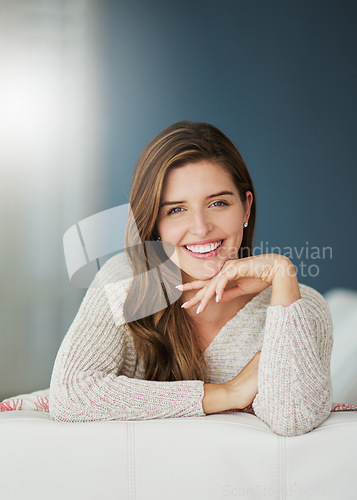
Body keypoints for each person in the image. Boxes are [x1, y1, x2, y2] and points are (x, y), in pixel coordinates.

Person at [49, 121, 333, 436]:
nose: (200, 227)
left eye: (218, 203)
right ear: (155, 223)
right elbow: (71, 395)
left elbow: (292, 418)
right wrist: (228, 392)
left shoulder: (299, 306)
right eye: (176, 210)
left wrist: (283, 274)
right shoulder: (126, 281)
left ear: (246, 208)